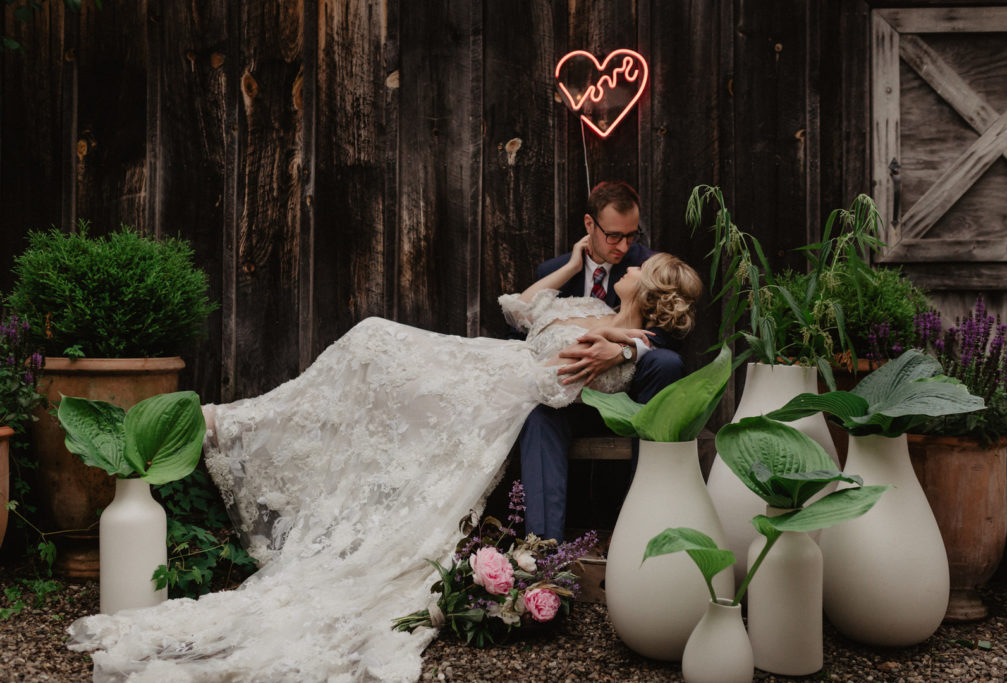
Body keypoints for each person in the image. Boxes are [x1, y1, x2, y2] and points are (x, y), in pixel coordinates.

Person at [65, 248, 702, 682]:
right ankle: (246, 420)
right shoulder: (587, 309)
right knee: (367, 350)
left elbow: (580, 376)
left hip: (499, 382)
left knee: (375, 346)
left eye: (643, 267)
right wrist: (568, 267)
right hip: (488, 365)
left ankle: (238, 422)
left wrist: (623, 339)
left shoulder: (626, 342)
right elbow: (520, 304)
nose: (632, 262)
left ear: (649, 292)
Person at [518, 180, 691, 542]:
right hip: (567, 395)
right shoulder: (554, 270)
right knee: (537, 415)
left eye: (632, 235)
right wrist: (570, 267)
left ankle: (645, 522)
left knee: (666, 363)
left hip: (629, 399)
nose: (624, 246)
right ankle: (541, 552)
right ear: (589, 225)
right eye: (613, 236)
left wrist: (624, 350)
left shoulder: (648, 266)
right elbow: (525, 325)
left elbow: (676, 334)